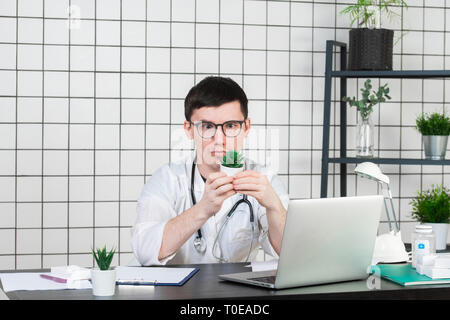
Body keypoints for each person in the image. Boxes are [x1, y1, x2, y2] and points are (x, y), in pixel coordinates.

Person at [131, 76, 289, 266]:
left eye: (230, 126)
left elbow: (289, 253)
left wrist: (274, 206)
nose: (219, 139)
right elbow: (144, 252)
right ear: (189, 130)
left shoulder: (265, 180)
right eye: (207, 127)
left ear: (246, 128)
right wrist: (203, 210)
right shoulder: (167, 179)